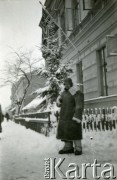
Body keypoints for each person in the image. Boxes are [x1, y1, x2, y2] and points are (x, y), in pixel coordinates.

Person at [56, 78, 84, 155]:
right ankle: (68, 147)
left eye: (68, 83)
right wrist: (59, 101)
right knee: (66, 132)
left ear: (71, 83)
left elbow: (79, 104)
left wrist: (77, 115)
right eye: (65, 84)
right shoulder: (63, 93)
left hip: (72, 116)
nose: (66, 85)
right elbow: (59, 104)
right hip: (65, 116)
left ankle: (78, 148)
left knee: (75, 132)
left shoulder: (75, 91)